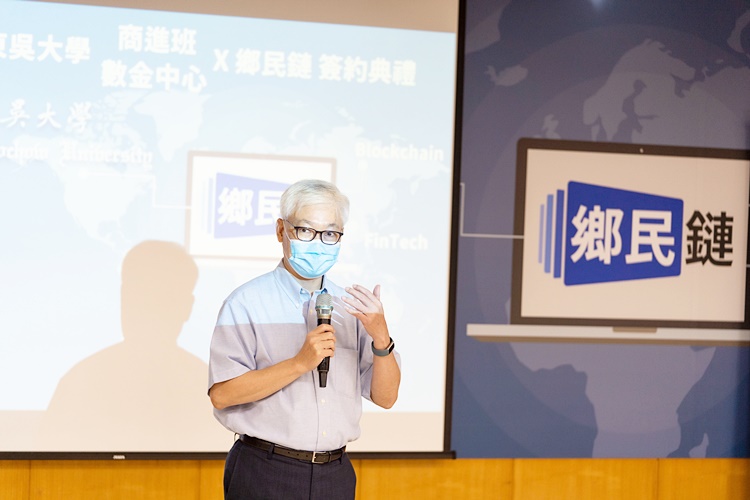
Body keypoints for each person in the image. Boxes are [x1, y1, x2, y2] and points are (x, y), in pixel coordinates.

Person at [208, 179, 401, 500]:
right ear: (281, 230)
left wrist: (381, 337)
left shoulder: (352, 308)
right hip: (265, 469)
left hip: (334, 473)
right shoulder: (246, 302)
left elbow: (387, 397)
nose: (318, 242)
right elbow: (222, 395)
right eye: (306, 230)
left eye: (330, 233)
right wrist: (299, 363)